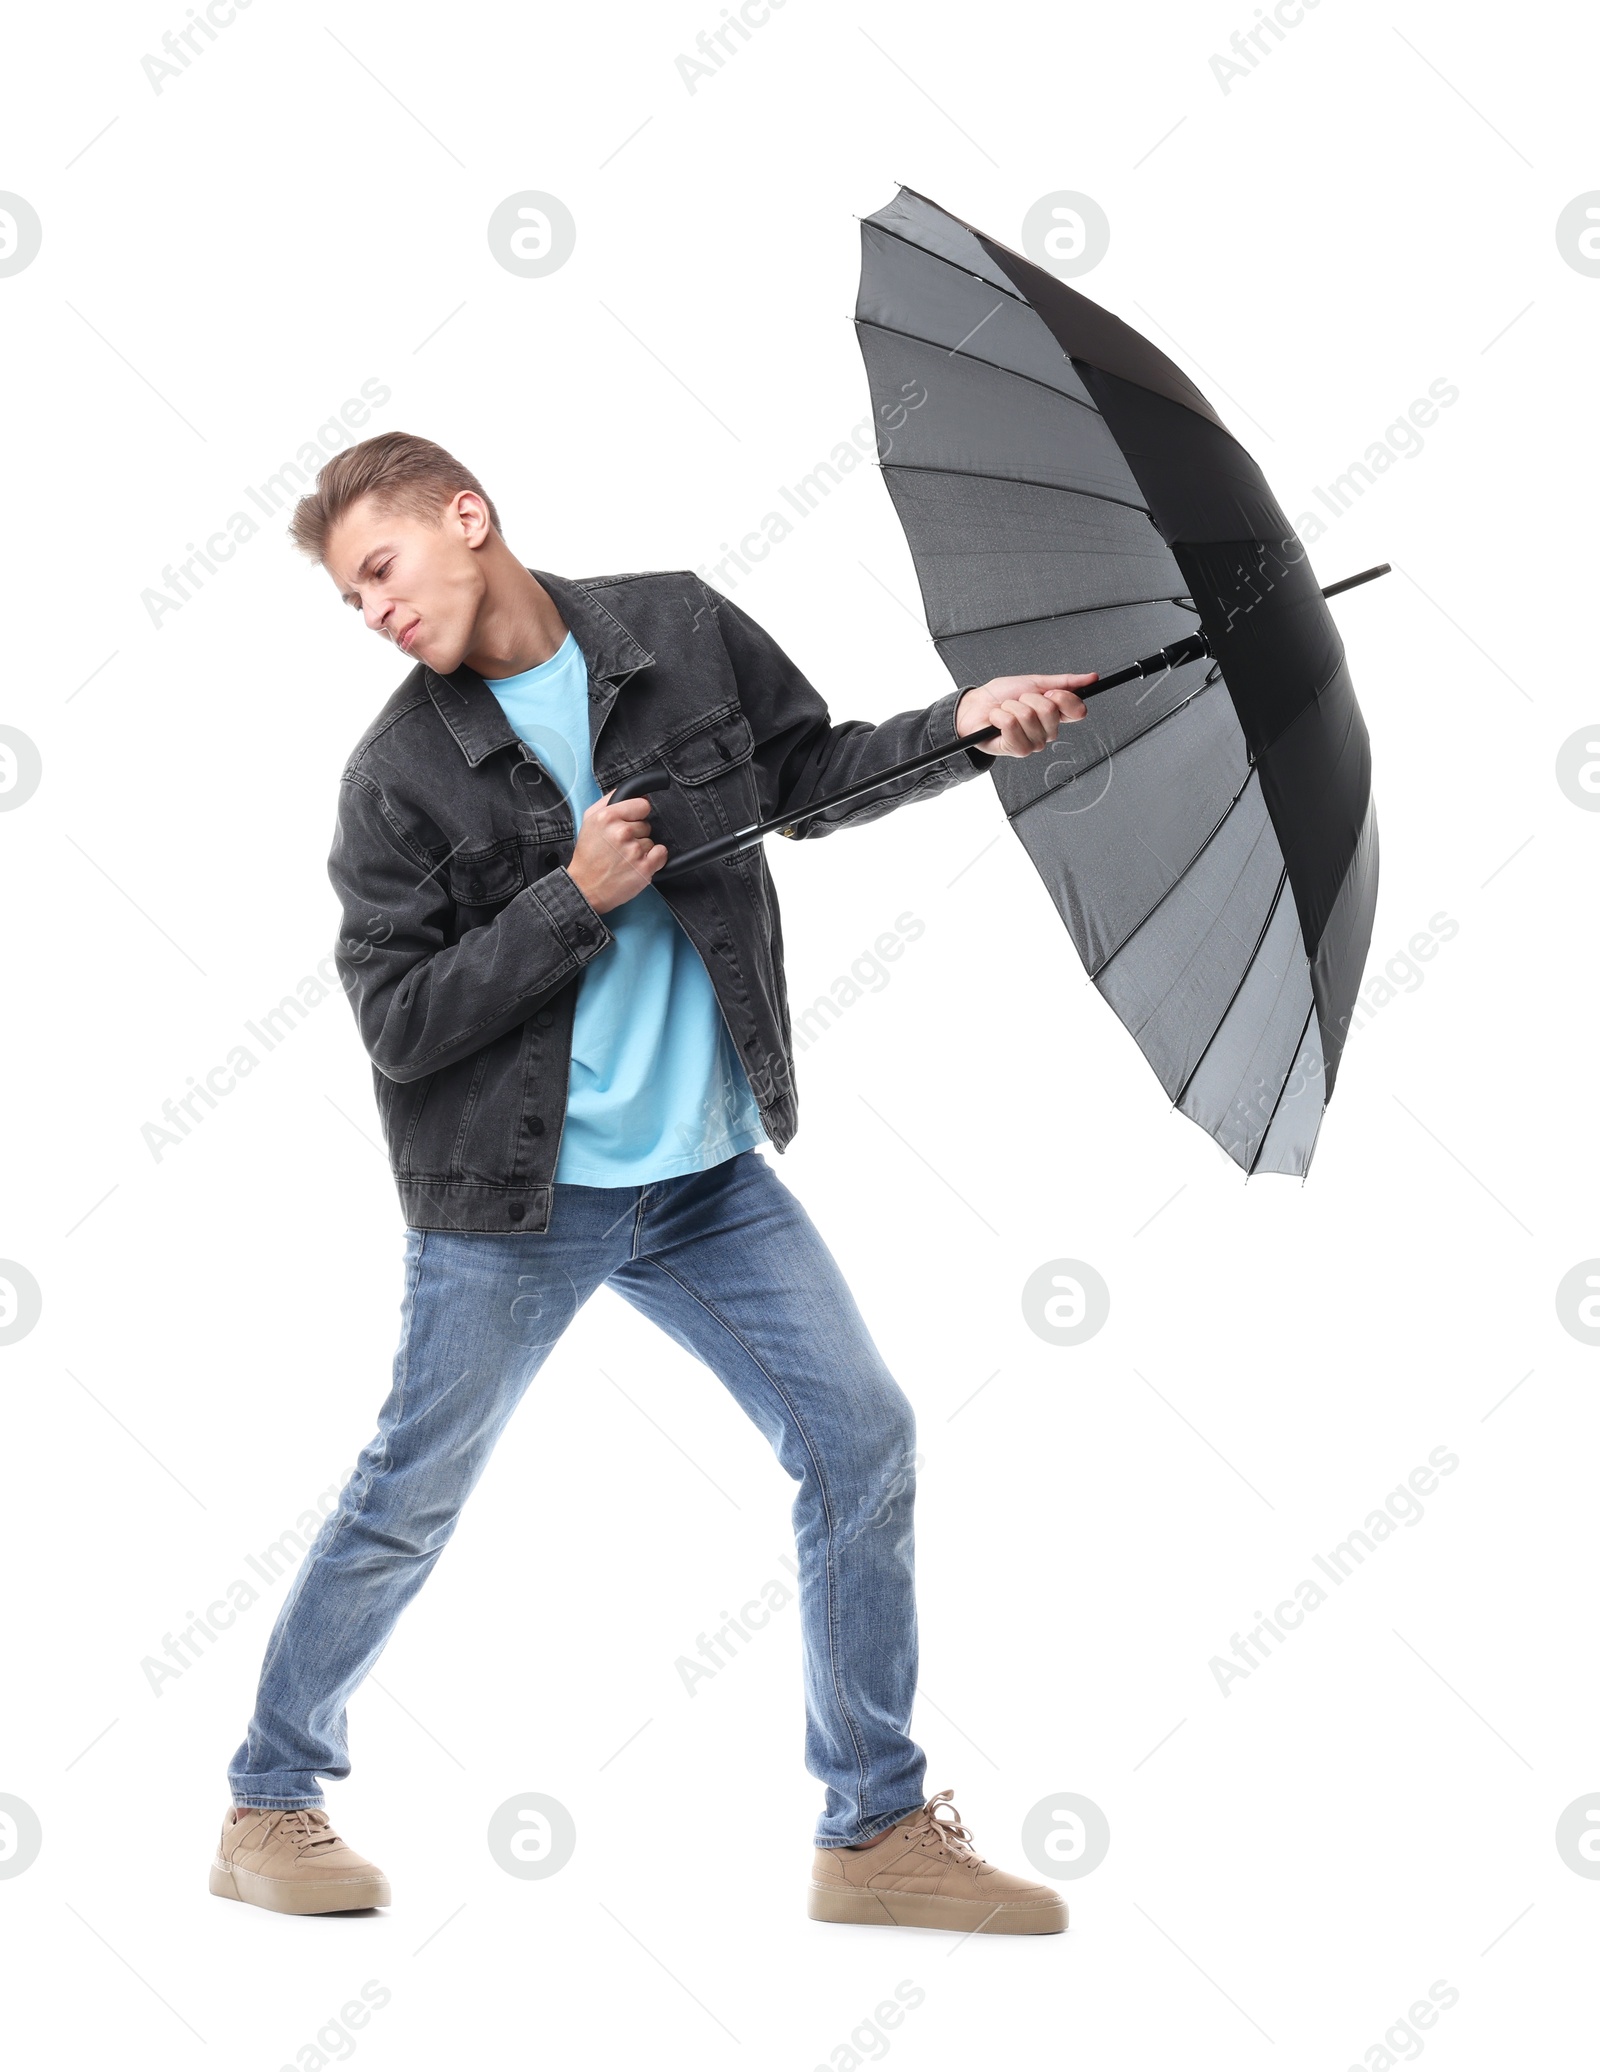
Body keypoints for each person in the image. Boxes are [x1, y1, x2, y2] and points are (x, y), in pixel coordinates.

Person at [210, 432, 1094, 1934]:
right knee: (411, 1494)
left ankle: (873, 1831)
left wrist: (966, 726)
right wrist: (573, 898)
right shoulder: (397, 777)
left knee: (861, 1435)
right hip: (517, 1199)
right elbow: (400, 1026)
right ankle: (267, 1800)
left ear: (465, 519)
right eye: (352, 603)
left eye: (381, 571)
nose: (376, 613)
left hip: (703, 1175)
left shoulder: (677, 629)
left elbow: (810, 778)